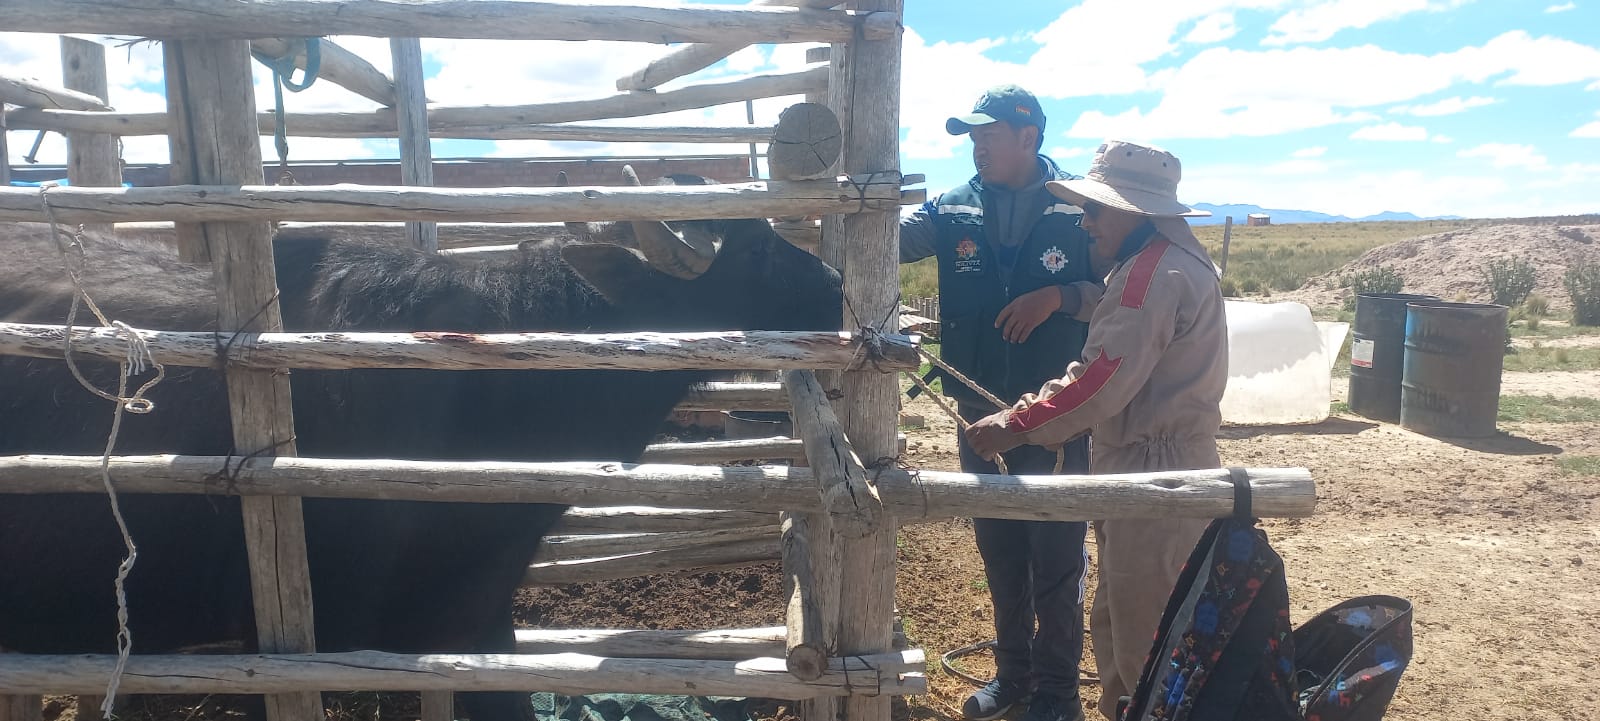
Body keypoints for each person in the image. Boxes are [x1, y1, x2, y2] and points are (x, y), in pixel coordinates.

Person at [963, 139, 1229, 721]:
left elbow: (1099, 382)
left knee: (1143, 638)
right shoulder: (1165, 265)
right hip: (1160, 463)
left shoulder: (1149, 277)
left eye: (1097, 211)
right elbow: (1116, 318)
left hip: (1151, 472)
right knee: (1123, 620)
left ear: (1133, 213)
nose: (1086, 223)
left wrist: (1015, 424)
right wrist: (1065, 296)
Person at [900, 85, 1102, 721]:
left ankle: (1059, 695)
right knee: (1001, 546)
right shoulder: (950, 208)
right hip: (976, 414)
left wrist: (1061, 296)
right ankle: (1014, 678)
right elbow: (883, 237)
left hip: (1057, 412)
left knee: (1057, 554)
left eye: (989, 133)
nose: (977, 144)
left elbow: (1123, 290)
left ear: (1029, 136)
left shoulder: (1080, 207)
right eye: (971, 135)